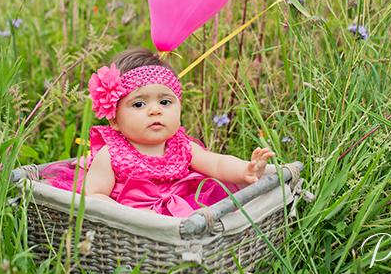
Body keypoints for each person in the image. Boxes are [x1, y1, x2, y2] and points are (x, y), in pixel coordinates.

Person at [43, 47, 275, 217]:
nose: (155, 111)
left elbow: (216, 164)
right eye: (139, 105)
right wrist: (132, 217)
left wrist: (245, 169)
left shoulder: (182, 145)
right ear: (114, 118)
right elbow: (95, 197)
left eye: (165, 102)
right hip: (128, 222)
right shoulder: (111, 154)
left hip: (182, 211)